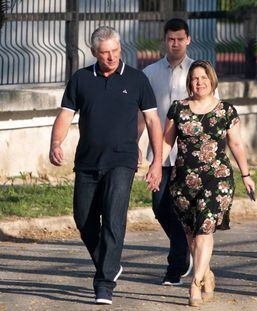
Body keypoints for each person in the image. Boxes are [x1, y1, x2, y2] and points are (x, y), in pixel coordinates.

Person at [49, 26, 163, 305]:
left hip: (122, 160)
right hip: (87, 161)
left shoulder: (137, 79)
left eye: (114, 51)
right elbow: (65, 115)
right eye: (104, 53)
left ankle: (104, 282)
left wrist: (157, 161)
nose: (111, 57)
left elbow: (152, 121)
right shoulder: (81, 79)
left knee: (113, 218)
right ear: (94, 53)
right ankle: (108, 261)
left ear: (120, 49)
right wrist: (55, 143)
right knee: (84, 219)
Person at [162, 60, 255, 306]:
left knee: (205, 228)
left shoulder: (226, 111)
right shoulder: (178, 109)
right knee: (192, 233)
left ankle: (195, 283)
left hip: (217, 179)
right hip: (182, 181)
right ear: (189, 83)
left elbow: (236, 144)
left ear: (212, 80)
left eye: (203, 77)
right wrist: (154, 168)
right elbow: (166, 142)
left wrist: (246, 175)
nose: (199, 82)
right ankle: (207, 273)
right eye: (194, 78)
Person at [138, 18, 195, 286]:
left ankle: (175, 267)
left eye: (180, 39)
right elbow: (142, 115)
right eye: (171, 39)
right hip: (159, 154)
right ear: (165, 40)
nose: (175, 44)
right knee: (160, 206)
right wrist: (135, 146)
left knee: (183, 210)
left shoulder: (198, 71)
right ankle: (184, 247)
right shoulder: (149, 73)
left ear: (188, 40)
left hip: (189, 154)